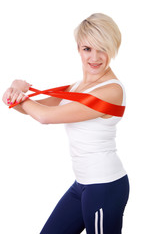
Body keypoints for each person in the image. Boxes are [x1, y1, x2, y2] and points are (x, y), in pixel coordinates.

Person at [2, 13, 129, 234]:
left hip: (105, 185)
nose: (95, 57)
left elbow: (44, 116)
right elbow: (27, 108)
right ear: (78, 49)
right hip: (81, 185)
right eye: (88, 49)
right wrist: (14, 88)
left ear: (113, 48)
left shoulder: (111, 90)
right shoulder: (75, 87)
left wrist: (19, 93)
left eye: (103, 49)